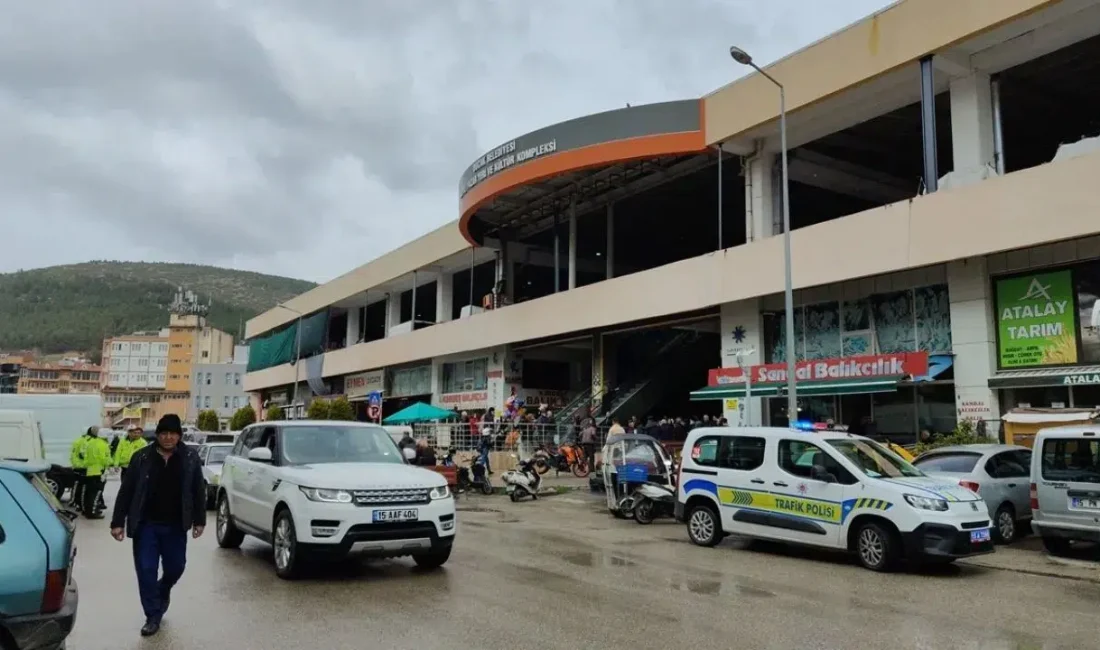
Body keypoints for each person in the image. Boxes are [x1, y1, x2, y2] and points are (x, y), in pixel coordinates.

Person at [110, 414, 206, 638]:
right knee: (146, 570)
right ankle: (153, 616)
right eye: (164, 434)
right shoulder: (142, 457)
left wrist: (199, 520)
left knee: (176, 567)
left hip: (175, 526)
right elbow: (126, 491)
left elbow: (197, 491)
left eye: (173, 434)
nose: (168, 438)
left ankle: (163, 590)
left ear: (179, 435)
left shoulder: (190, 457)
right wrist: (118, 522)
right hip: (146, 526)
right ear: (158, 435)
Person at [81, 427, 112, 519]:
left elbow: (85, 456)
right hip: (99, 471)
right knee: (96, 493)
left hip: (90, 471)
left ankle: (87, 511)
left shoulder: (90, 442)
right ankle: (93, 512)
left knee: (89, 493)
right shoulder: (103, 445)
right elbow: (105, 459)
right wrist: (111, 463)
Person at [69, 427, 94, 512]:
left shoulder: (77, 441)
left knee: (77, 485)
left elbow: (74, 455)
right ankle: (78, 503)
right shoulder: (85, 442)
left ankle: (75, 502)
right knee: (82, 487)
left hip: (79, 466)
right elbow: (82, 455)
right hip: (83, 467)